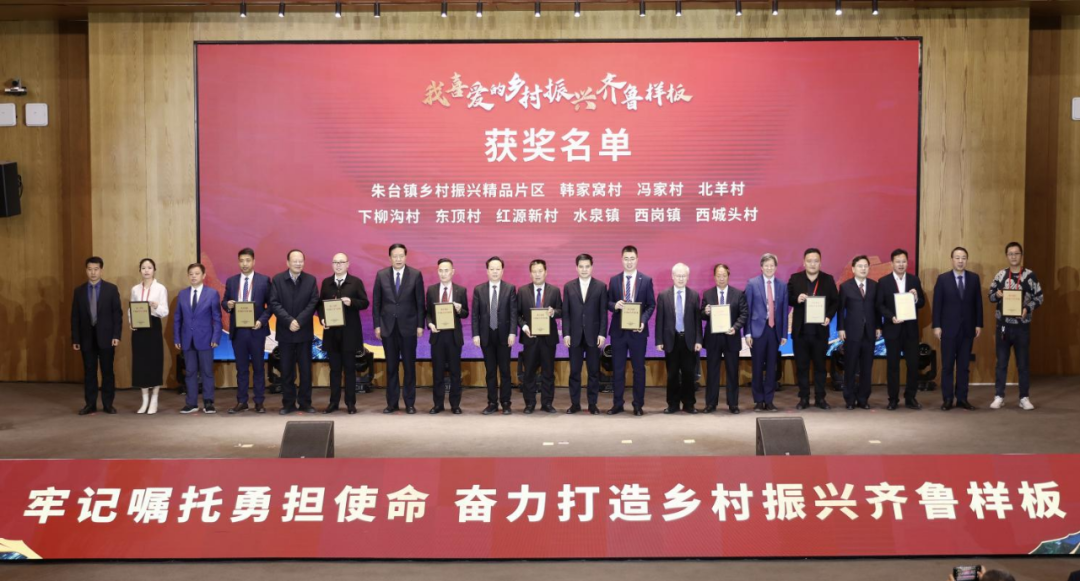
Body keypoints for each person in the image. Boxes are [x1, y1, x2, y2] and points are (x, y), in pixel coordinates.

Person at [988, 242, 1044, 411]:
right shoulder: (1000, 275)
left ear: (1021, 255)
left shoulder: (1030, 275)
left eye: (1016, 253)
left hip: (1022, 327)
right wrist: (997, 295)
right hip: (1003, 326)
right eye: (1010, 253)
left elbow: (1039, 298)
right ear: (1007, 256)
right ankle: (999, 396)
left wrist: (1027, 308)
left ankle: (1024, 397)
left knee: (1023, 364)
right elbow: (990, 296)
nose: (1013, 256)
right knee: (1001, 363)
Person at [372, 243, 425, 414]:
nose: (398, 259)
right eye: (395, 256)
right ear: (390, 258)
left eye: (401, 256)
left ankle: (409, 403)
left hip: (409, 328)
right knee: (391, 367)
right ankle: (392, 403)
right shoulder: (381, 275)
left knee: (409, 367)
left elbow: (420, 303)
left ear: (406, 256)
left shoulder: (415, 275)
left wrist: (420, 325)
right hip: (388, 328)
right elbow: (376, 303)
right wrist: (377, 325)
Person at [605, 245, 656, 415]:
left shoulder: (646, 280)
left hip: (637, 332)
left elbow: (651, 305)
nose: (629, 262)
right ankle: (617, 404)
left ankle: (638, 405)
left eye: (632, 259)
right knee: (618, 369)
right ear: (622, 260)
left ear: (637, 259)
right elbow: (607, 302)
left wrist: (643, 321)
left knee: (638, 369)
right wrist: (615, 305)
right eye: (626, 259)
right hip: (618, 332)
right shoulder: (614, 280)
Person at [221, 247, 272, 414]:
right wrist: (228, 305)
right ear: (238, 262)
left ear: (254, 262)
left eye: (248, 260)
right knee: (241, 369)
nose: (244, 264)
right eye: (241, 261)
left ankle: (259, 402)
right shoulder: (231, 281)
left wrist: (261, 321)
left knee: (258, 368)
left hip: (256, 330)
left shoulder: (264, 280)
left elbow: (271, 305)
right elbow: (224, 302)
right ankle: (242, 401)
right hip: (239, 331)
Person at [787, 248, 839, 411]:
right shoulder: (795, 279)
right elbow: (787, 298)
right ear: (804, 263)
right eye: (809, 261)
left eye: (816, 261)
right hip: (801, 332)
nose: (812, 264)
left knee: (820, 367)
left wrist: (828, 316)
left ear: (820, 263)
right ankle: (803, 398)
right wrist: (797, 298)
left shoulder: (828, 279)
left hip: (819, 331)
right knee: (801, 367)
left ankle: (820, 398)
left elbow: (835, 301)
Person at [317, 253, 369, 415]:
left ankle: (350, 403)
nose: (338, 265)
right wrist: (322, 319)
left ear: (348, 264)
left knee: (350, 370)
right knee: (334, 370)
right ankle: (333, 402)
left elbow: (365, 303)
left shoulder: (356, 282)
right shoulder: (326, 283)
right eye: (335, 262)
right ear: (332, 264)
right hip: (332, 333)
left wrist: (351, 302)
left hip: (349, 334)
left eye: (341, 262)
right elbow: (320, 305)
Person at [269, 249, 319, 415]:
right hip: (285, 332)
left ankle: (305, 403)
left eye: (300, 261)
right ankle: (288, 403)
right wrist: (289, 321)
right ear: (288, 263)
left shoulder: (310, 280)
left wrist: (299, 321)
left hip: (304, 332)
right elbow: (274, 303)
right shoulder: (277, 280)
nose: (298, 263)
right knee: (286, 370)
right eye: (294, 260)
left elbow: (313, 302)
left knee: (305, 371)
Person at [933, 246, 983, 411]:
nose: (960, 261)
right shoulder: (943, 279)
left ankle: (962, 398)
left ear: (966, 260)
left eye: (963, 258)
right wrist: (937, 325)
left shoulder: (974, 278)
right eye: (957, 258)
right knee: (947, 366)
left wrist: (978, 324)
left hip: (967, 329)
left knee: (963, 366)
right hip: (948, 329)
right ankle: (947, 399)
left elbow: (978, 303)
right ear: (952, 260)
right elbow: (937, 304)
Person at [71, 256, 122, 415]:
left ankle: (108, 404)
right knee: (89, 372)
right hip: (86, 338)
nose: (93, 273)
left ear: (101, 270)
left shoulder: (111, 289)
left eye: (96, 269)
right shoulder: (79, 291)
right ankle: (90, 404)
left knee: (107, 371)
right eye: (90, 269)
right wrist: (76, 338)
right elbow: (75, 317)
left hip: (107, 337)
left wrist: (116, 335)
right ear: (86, 270)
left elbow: (117, 314)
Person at [876, 248, 926, 410]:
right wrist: (891, 317)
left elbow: (922, 302)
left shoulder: (914, 280)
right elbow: (879, 305)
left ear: (907, 263)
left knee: (913, 365)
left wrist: (916, 298)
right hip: (892, 329)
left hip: (911, 330)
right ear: (892, 263)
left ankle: (911, 398)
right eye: (898, 261)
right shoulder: (884, 281)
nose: (901, 264)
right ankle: (893, 399)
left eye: (904, 261)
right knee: (893, 366)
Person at [562, 254, 608, 415]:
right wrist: (566, 333)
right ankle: (575, 404)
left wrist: (602, 333)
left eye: (587, 266)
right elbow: (566, 313)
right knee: (574, 372)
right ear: (576, 268)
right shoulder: (569, 286)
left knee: (593, 372)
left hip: (593, 336)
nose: (584, 269)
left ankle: (592, 404)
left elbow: (603, 313)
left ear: (591, 267)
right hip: (574, 336)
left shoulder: (601, 286)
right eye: (581, 266)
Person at [472, 256, 518, 415]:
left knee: (505, 371)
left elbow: (513, 313)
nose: (495, 272)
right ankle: (492, 403)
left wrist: (512, 332)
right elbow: (475, 315)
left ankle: (506, 403)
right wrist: (475, 334)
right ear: (487, 271)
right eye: (492, 269)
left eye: (498, 269)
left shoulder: (510, 288)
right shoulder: (479, 289)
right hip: (486, 336)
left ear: (502, 271)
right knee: (490, 371)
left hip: (505, 336)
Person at [173, 263, 221, 414]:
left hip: (206, 339)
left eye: (197, 273)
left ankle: (208, 402)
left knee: (207, 372)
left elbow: (217, 318)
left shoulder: (212, 293)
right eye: (191, 274)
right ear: (188, 276)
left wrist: (216, 337)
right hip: (187, 339)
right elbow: (177, 318)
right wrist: (177, 338)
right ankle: (191, 403)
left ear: (204, 275)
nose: (193, 276)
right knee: (190, 372)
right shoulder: (182, 294)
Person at [655, 263, 703, 414]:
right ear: (672, 276)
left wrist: (698, 340)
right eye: (678, 275)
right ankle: (672, 404)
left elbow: (697, 320)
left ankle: (689, 404)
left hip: (689, 340)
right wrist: (659, 341)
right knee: (672, 375)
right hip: (671, 340)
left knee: (689, 374)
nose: (681, 278)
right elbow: (659, 319)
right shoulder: (663, 295)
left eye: (684, 276)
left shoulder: (694, 295)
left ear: (688, 277)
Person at [701, 264, 749, 414]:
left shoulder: (738, 294)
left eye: (724, 275)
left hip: (731, 337)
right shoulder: (707, 294)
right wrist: (705, 312)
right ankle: (711, 403)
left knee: (732, 372)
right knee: (712, 372)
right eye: (718, 275)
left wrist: (735, 327)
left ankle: (733, 404)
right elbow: (701, 314)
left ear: (728, 276)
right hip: (713, 339)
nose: (721, 278)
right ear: (714, 277)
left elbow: (744, 314)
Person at [518, 259, 563, 414]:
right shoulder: (522, 291)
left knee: (548, 373)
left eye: (540, 271)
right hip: (530, 338)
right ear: (530, 273)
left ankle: (547, 403)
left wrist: (553, 312)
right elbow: (517, 314)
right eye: (534, 271)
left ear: (546, 272)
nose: (537, 274)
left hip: (548, 339)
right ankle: (529, 403)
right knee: (529, 373)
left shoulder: (554, 290)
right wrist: (524, 327)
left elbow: (561, 311)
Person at [744, 253, 788, 412]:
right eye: (766, 265)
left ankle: (769, 400)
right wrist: (747, 333)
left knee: (771, 367)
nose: (769, 268)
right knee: (757, 367)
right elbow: (747, 310)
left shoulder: (782, 285)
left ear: (776, 267)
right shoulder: (752, 283)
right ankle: (758, 400)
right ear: (761, 267)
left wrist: (784, 334)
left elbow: (784, 311)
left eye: (772, 265)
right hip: (757, 331)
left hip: (774, 331)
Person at [425, 258, 469, 414]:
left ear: (452, 272)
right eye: (441, 271)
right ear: (438, 272)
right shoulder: (431, 290)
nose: (443, 274)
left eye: (446, 270)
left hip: (453, 337)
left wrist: (459, 309)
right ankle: (438, 404)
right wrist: (430, 324)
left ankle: (455, 405)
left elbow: (466, 313)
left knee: (455, 373)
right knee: (437, 372)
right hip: (437, 336)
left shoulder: (460, 290)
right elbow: (428, 313)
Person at [837, 255, 881, 409]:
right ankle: (849, 399)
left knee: (866, 368)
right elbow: (840, 310)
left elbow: (877, 309)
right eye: (860, 266)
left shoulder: (874, 285)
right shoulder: (845, 286)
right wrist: (841, 328)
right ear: (853, 269)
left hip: (869, 333)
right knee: (850, 366)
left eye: (865, 266)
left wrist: (878, 326)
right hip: (851, 332)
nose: (863, 269)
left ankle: (863, 399)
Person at [129, 258, 168, 414]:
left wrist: (156, 306)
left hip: (153, 327)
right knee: (140, 363)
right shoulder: (135, 289)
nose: (146, 270)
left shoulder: (160, 288)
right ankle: (144, 400)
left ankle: (154, 399)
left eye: (149, 267)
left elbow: (165, 311)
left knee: (154, 362)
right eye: (143, 268)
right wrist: (131, 322)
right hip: (139, 328)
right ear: (140, 270)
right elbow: (131, 308)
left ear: (154, 270)